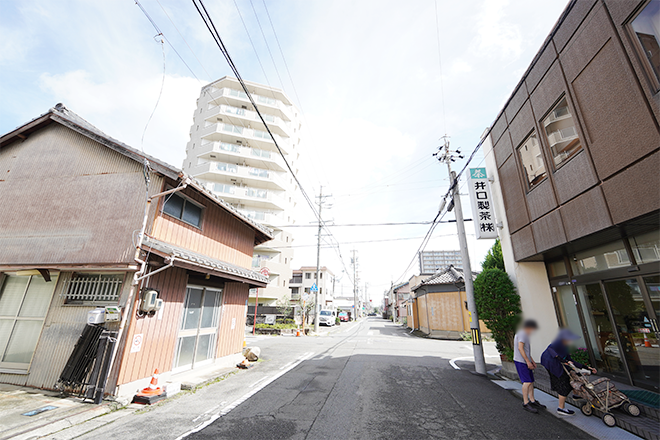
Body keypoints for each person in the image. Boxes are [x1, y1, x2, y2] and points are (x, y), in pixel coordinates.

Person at [541, 329, 597, 416]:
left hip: (558, 363)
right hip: (551, 363)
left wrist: (587, 367)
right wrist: (561, 359)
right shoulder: (558, 342)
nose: (571, 340)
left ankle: (575, 395)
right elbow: (550, 349)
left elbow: (571, 360)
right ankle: (561, 408)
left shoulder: (565, 346)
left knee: (571, 377)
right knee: (564, 384)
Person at [513, 319, 545, 413]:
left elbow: (525, 350)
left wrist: (532, 361)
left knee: (531, 381)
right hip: (521, 361)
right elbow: (520, 348)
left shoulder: (523, 333)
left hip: (525, 361)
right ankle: (525, 402)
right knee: (527, 382)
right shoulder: (522, 334)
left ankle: (532, 400)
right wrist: (527, 361)